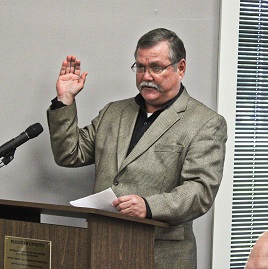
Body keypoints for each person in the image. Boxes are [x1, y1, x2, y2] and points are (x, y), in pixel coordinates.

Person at [47, 28, 227, 269]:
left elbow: (200, 191)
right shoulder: (114, 112)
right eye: (140, 67)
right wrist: (65, 100)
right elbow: (70, 154)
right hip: (102, 247)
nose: (146, 76)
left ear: (180, 68)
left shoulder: (205, 122)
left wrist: (149, 206)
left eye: (156, 67)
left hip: (160, 254)